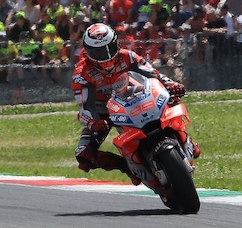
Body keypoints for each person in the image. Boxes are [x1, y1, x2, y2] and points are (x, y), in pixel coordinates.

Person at [72, 22, 193, 178]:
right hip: (102, 112)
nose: (107, 56)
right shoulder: (81, 73)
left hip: (131, 96)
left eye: (110, 48)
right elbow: (85, 107)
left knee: (171, 99)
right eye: (100, 52)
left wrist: (170, 84)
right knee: (84, 155)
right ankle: (127, 167)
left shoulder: (127, 55)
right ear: (88, 53)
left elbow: (153, 74)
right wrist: (93, 122)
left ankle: (186, 140)